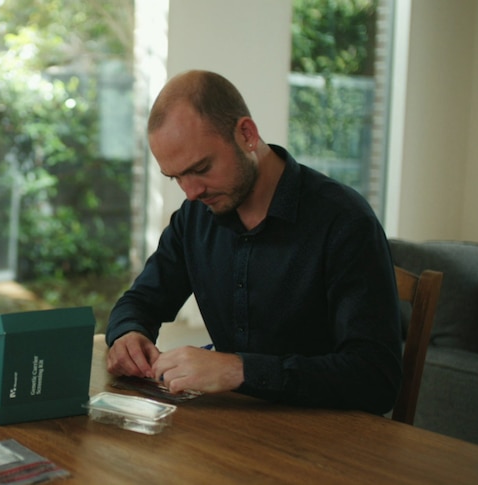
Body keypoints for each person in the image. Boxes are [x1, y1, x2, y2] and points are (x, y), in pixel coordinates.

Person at [105, 70, 402, 414]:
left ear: (246, 134)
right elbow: (141, 300)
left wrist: (238, 370)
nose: (191, 191)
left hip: (328, 440)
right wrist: (128, 334)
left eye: (201, 168)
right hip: (237, 429)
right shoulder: (195, 217)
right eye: (177, 177)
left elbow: (377, 379)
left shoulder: (344, 222)